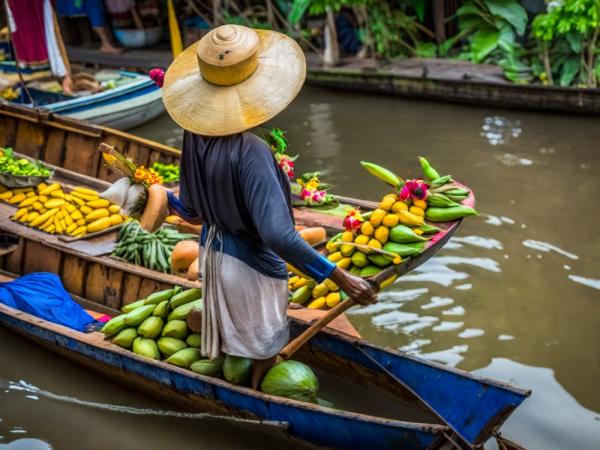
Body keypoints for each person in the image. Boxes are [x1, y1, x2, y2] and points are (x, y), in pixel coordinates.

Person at [159, 24, 377, 389]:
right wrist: (341, 278)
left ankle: (236, 392)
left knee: (237, 346)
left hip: (213, 258)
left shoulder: (194, 133)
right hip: (252, 269)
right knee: (265, 350)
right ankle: (259, 404)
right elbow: (278, 235)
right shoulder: (252, 151)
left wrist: (162, 201)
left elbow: (192, 209)